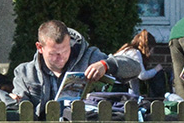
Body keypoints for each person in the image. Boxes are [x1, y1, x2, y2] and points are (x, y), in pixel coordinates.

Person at [11, 20, 141, 111]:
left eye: (65, 51)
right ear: (40, 47)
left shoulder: (89, 57)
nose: (61, 58)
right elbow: (22, 112)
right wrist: (14, 101)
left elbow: (135, 68)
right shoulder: (24, 73)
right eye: (54, 54)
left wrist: (107, 65)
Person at [114, 30, 165, 97]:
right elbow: (142, 75)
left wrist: (137, 96)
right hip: (118, 88)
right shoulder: (135, 53)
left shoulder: (127, 50)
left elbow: (133, 79)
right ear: (148, 47)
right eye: (152, 48)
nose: (152, 52)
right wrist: (156, 69)